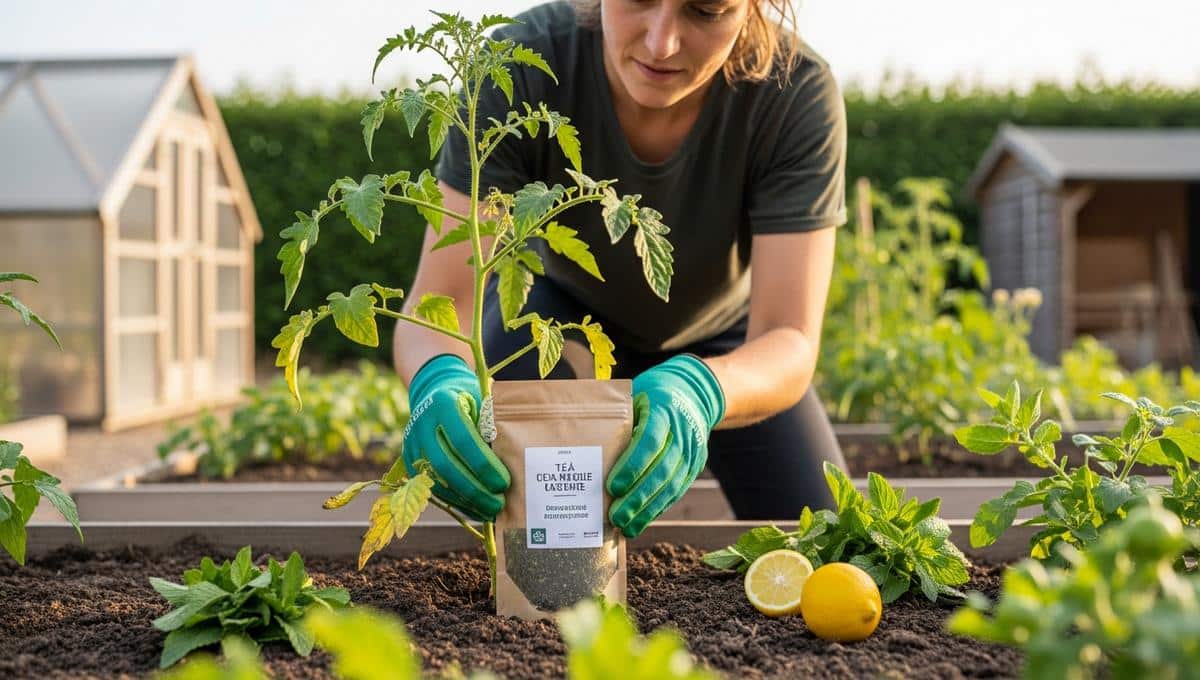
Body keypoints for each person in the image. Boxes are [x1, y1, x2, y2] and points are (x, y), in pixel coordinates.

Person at [394, 0, 848, 537]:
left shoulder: (793, 93)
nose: (662, 44)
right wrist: (437, 378)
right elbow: (441, 303)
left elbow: (787, 337)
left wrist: (702, 390)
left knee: (825, 535)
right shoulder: (520, 65)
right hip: (554, 325)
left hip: (721, 350)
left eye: (706, 11)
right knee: (533, 540)